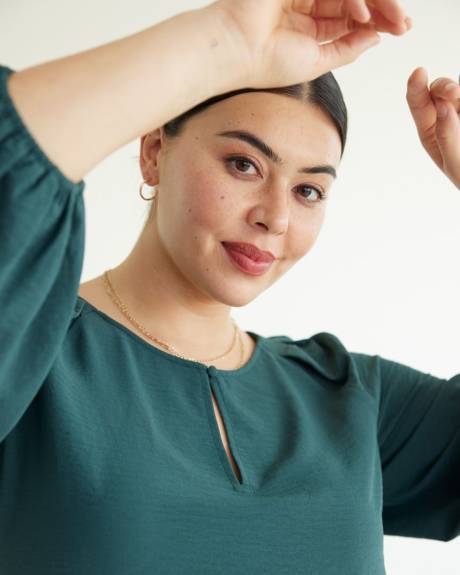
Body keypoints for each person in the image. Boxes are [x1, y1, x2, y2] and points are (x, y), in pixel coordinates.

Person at [0, 1, 459, 573]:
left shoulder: (350, 400)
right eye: (244, 164)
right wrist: (220, 41)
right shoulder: (32, 354)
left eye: (309, 191)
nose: (276, 217)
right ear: (153, 152)